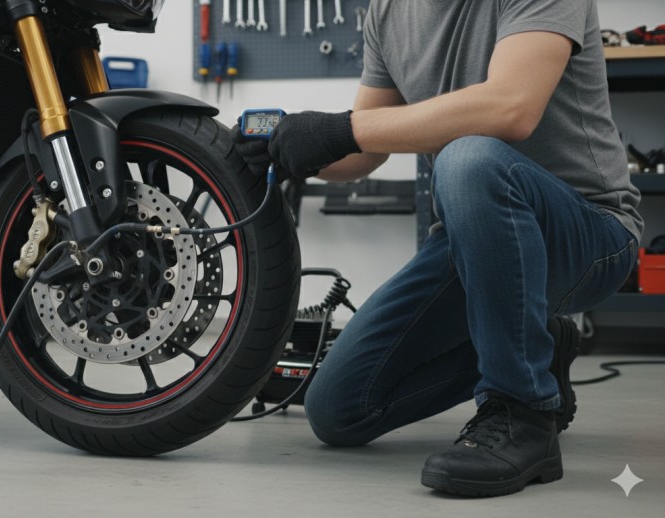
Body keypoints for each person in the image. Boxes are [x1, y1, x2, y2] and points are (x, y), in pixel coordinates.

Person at [233, 0, 642, 498]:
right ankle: (541, 343)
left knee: (468, 158)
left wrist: (339, 128)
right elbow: (365, 147)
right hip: (473, 241)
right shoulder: (388, 12)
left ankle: (523, 411)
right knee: (338, 409)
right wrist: (288, 143)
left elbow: (510, 107)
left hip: (590, 233)